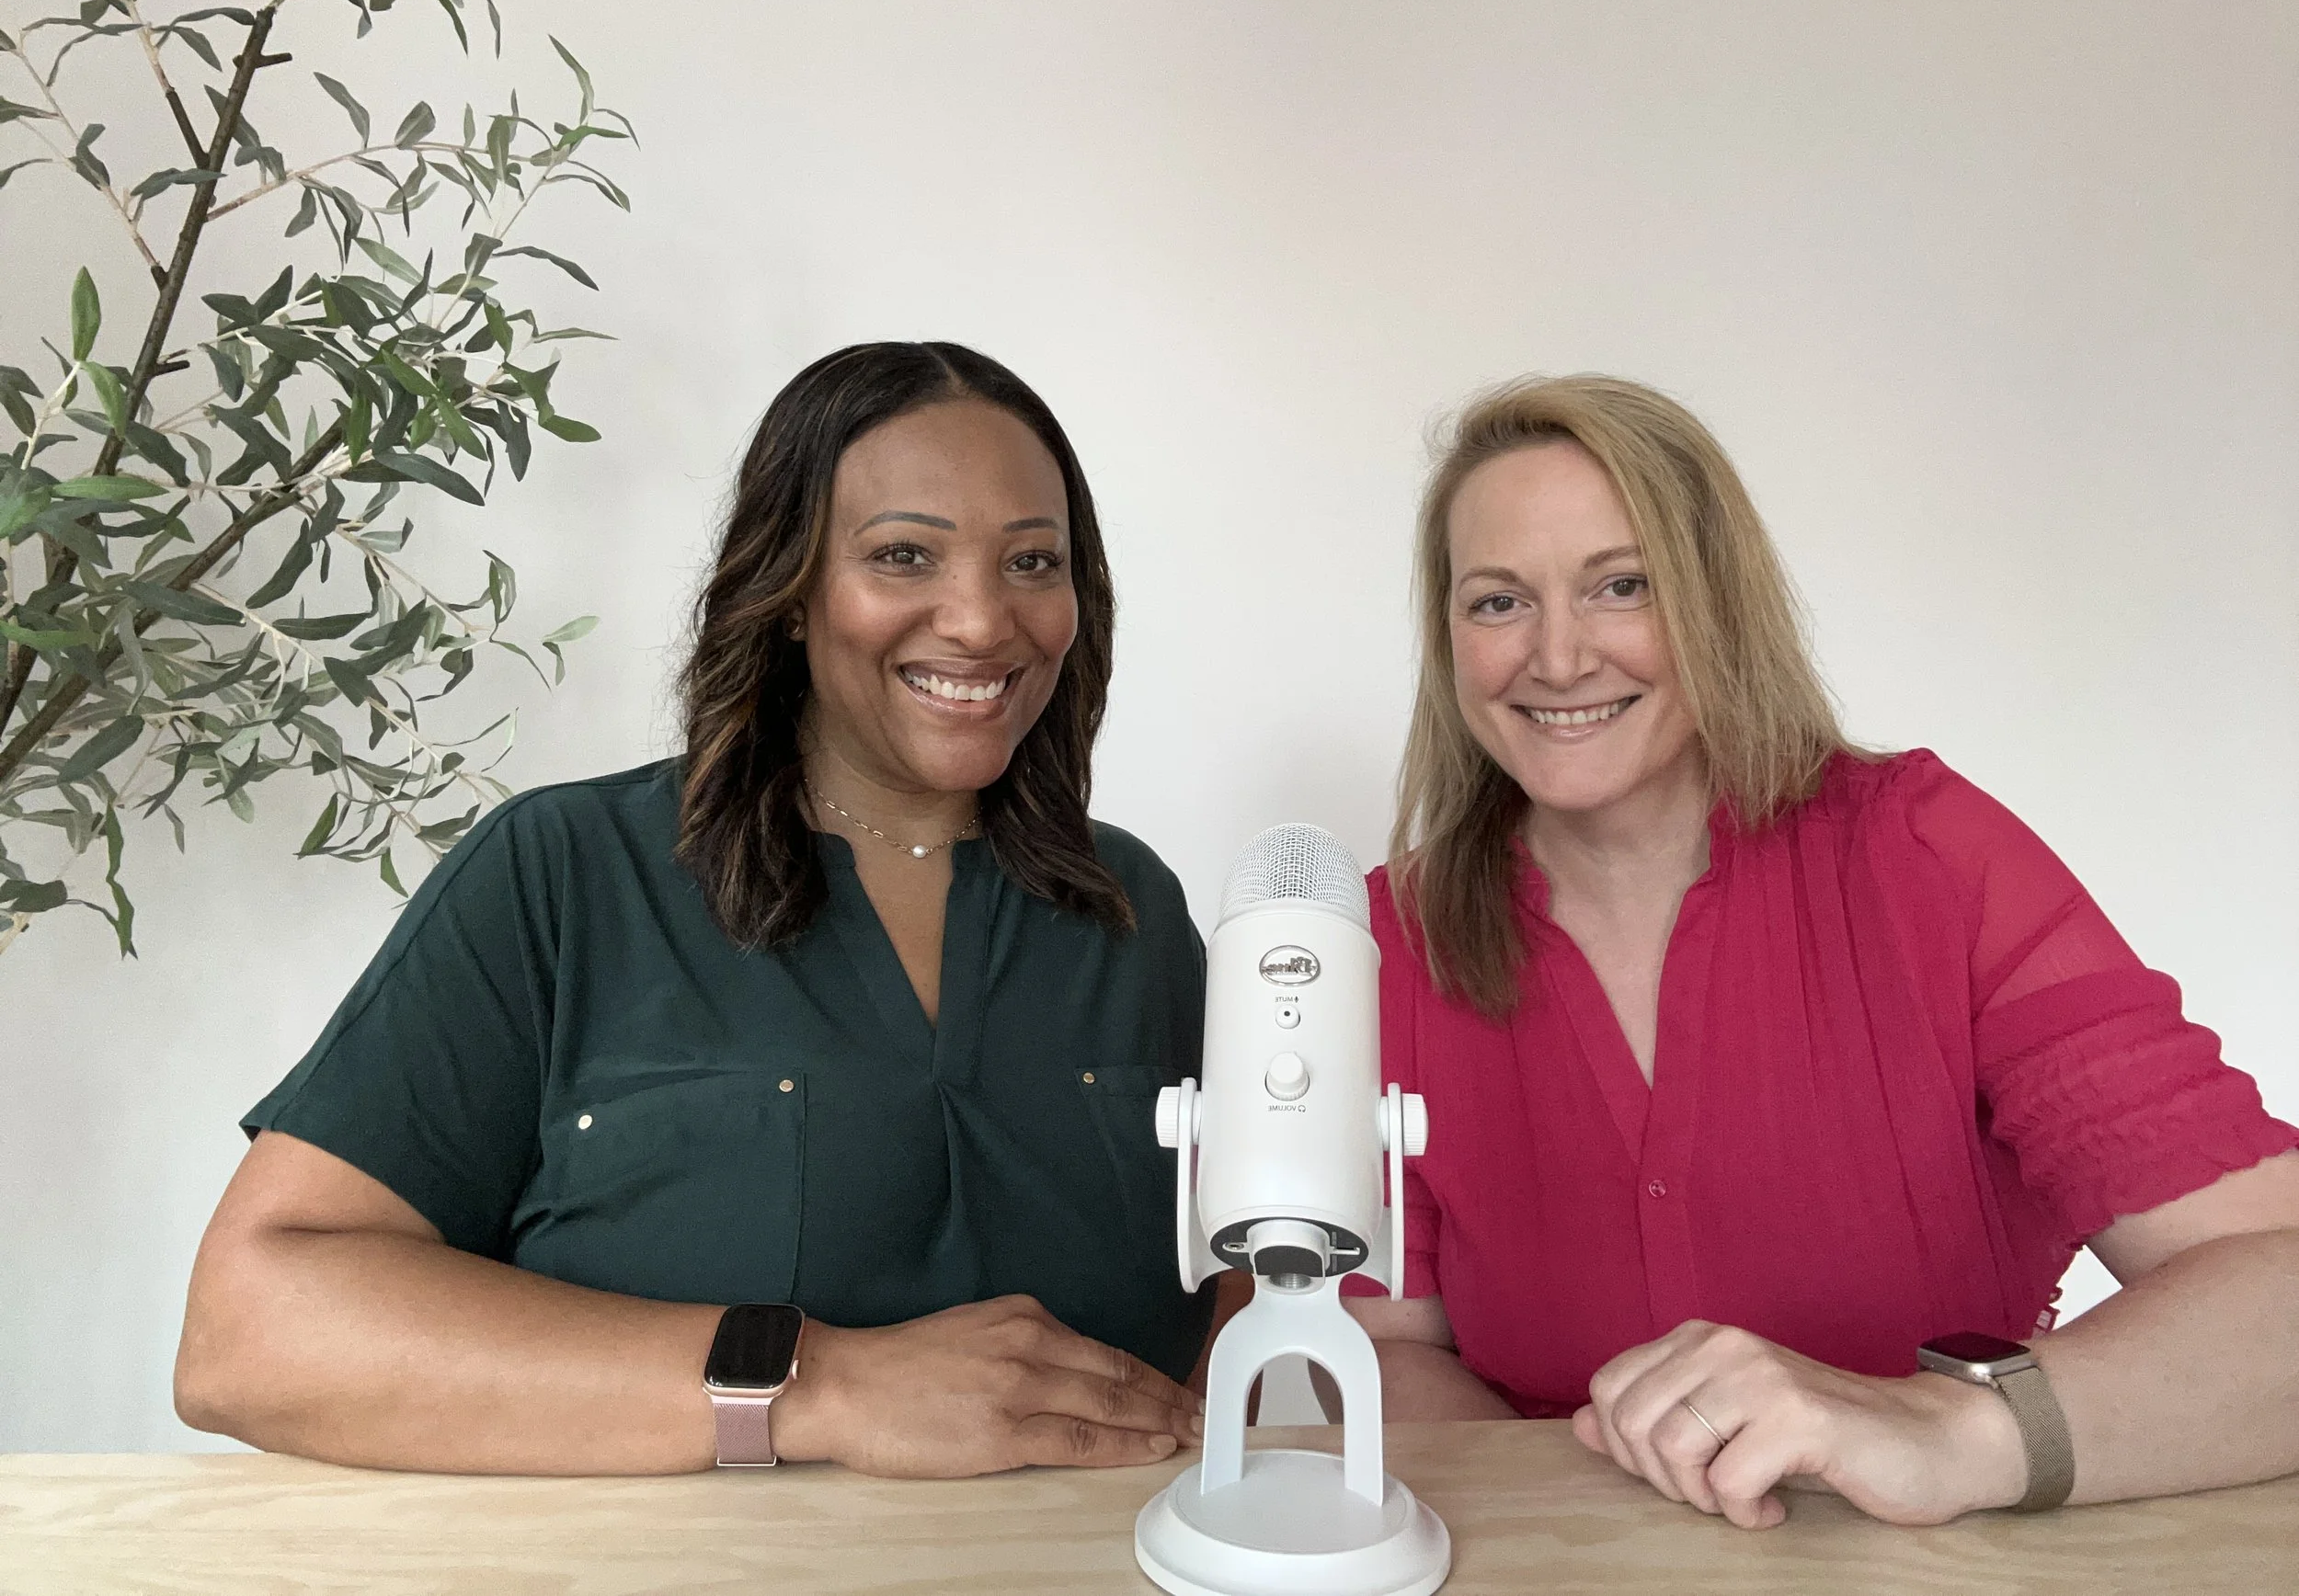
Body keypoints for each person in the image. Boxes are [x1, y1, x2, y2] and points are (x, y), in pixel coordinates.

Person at [175, 342, 1216, 1477]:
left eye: (1032, 562)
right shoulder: (564, 875)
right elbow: (250, 1332)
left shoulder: (1133, 912)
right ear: (790, 592)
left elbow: (1246, 1290)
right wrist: (822, 1384)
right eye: (902, 555)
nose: (978, 620)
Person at [1341, 373, 2299, 1528]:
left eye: (1622, 586)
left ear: (1717, 601)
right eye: (1497, 602)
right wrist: (1606, 1534)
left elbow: (2276, 1276)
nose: (1556, 657)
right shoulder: (1379, 942)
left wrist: (1944, 1430)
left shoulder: (1928, 859)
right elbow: (1384, 1345)